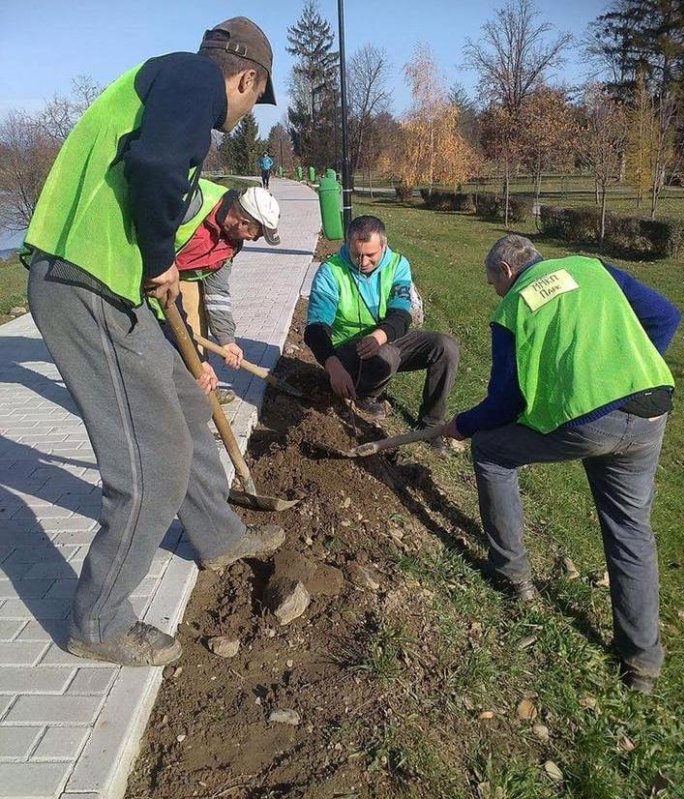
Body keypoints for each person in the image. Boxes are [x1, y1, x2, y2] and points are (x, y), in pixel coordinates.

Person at [22, 17, 285, 667]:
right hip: (84, 281)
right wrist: (162, 257)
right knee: (153, 460)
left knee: (188, 401)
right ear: (246, 79)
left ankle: (217, 535)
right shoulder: (193, 78)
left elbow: (152, 168)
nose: (244, 115)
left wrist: (163, 287)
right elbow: (158, 164)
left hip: (114, 285)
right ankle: (99, 618)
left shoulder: (167, 80)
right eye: (256, 98)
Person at [444, 234, 681, 693]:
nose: (497, 293)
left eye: (494, 284)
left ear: (507, 272)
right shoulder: (591, 268)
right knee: (631, 530)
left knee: (491, 451)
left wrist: (463, 425)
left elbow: (505, 403)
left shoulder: (513, 307)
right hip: (651, 410)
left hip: (590, 422)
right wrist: (625, 370)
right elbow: (665, 316)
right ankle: (642, 665)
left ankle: (511, 576)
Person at [305, 215, 459, 454]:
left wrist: (379, 336)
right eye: (356, 254)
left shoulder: (398, 264)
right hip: (347, 351)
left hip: (385, 338)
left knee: (445, 347)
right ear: (347, 244)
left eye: (370, 255)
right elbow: (316, 328)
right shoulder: (331, 272)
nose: (363, 262)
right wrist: (333, 367)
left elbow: (401, 315)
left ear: (384, 246)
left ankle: (431, 425)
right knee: (386, 356)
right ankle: (366, 395)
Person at [172, 179, 281, 397]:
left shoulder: (231, 245)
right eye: (256, 234)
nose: (253, 240)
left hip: (180, 274)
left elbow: (217, 293)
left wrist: (226, 340)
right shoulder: (193, 201)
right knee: (167, 335)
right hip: (147, 263)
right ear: (242, 222)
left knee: (195, 336)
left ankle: (200, 393)